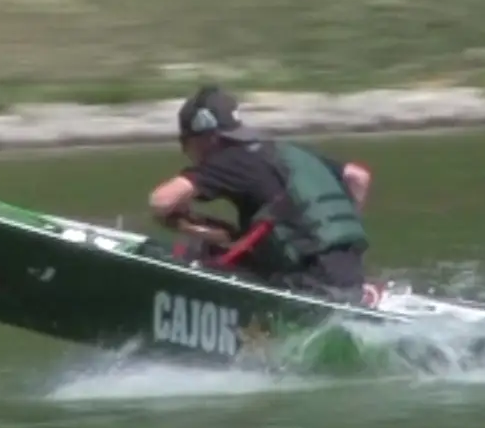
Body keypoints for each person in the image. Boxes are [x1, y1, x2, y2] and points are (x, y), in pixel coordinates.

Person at [147, 85, 373, 300]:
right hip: (350, 277)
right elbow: (358, 177)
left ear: (205, 138)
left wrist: (177, 223)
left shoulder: (228, 160)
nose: (186, 152)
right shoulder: (288, 152)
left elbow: (161, 201)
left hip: (309, 282)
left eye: (185, 143)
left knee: (197, 254)